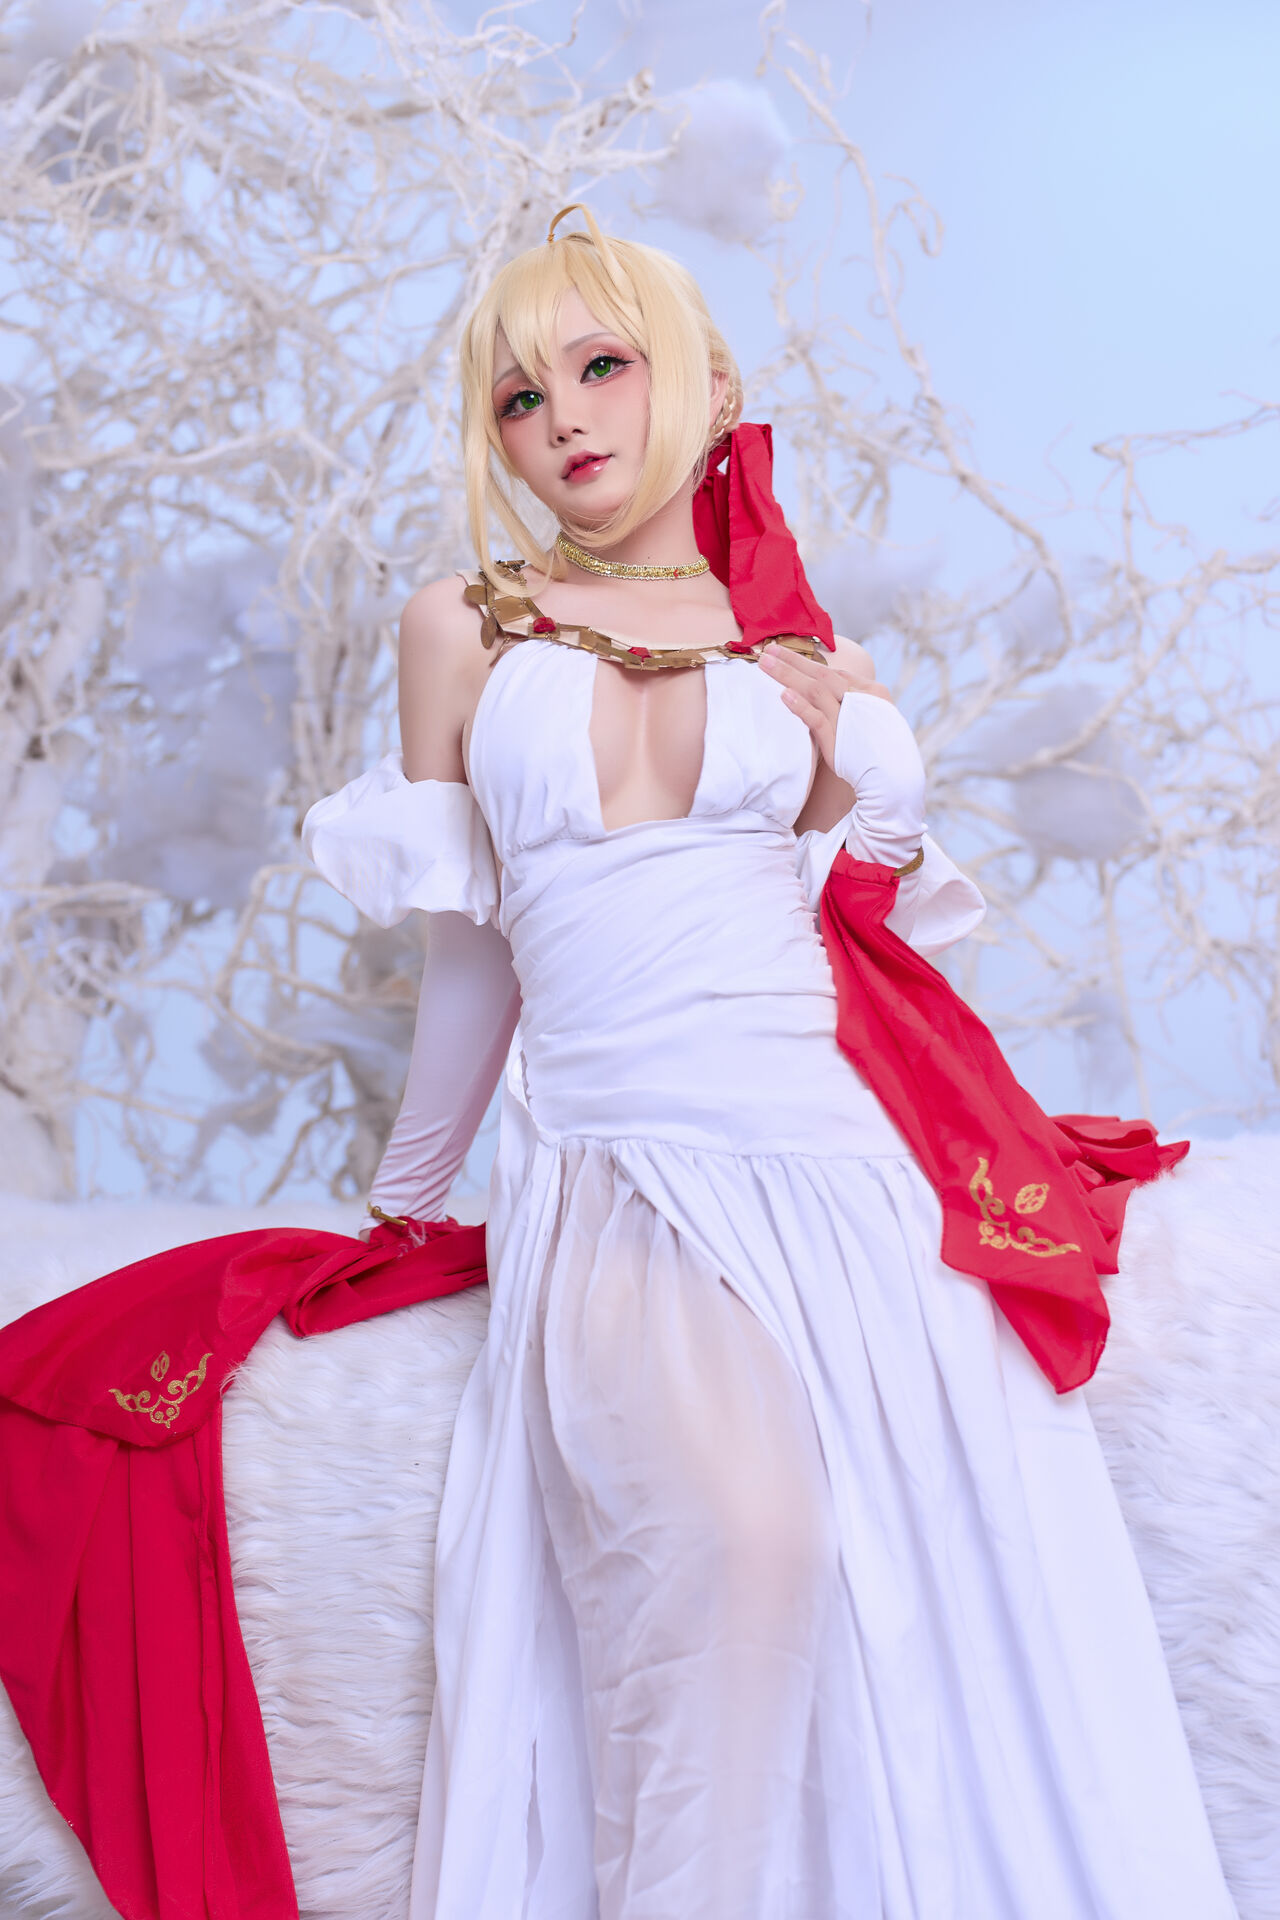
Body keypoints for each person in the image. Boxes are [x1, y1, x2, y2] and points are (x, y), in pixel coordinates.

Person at [302, 206, 1236, 1920]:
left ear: (708, 384)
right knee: (745, 1548)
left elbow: (863, 943)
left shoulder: (808, 657)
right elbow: (472, 954)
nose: (563, 419)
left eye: (602, 366)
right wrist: (405, 1201)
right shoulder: (464, 626)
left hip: (842, 1169)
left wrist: (871, 775)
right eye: (519, 397)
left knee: (927, 1609)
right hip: (620, 1165)